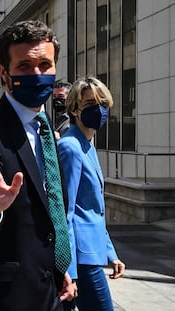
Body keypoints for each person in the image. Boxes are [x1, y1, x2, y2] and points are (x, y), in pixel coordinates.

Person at [0, 20, 74, 311]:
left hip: (50, 289)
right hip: (5, 299)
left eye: (45, 64)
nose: (36, 74)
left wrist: (59, 268)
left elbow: (49, 209)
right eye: (24, 66)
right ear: (3, 73)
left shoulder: (46, 129)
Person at [57, 76, 125, 311]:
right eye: (90, 105)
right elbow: (66, 212)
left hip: (93, 253)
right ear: (75, 109)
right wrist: (70, 271)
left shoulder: (87, 145)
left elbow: (94, 209)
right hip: (81, 259)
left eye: (103, 103)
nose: (99, 110)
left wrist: (110, 253)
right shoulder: (70, 147)